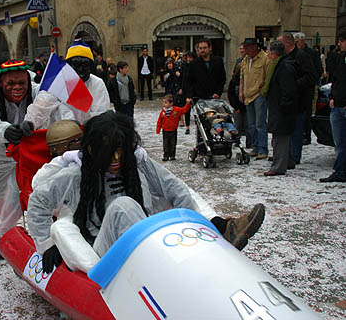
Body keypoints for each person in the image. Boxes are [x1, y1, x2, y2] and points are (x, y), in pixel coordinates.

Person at [27, 111, 266, 274]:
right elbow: (38, 201)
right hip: (104, 248)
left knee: (172, 193)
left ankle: (217, 231)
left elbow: (174, 187)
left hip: (146, 240)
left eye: (121, 151)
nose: (117, 160)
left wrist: (198, 228)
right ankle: (166, 269)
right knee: (124, 206)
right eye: (110, 152)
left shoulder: (137, 163)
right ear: (91, 149)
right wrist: (47, 245)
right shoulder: (72, 173)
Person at [0, 59, 40, 258]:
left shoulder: (37, 90)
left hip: (28, 151)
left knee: (19, 190)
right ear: (0, 83)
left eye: (21, 83)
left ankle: (3, 235)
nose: (17, 88)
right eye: (10, 84)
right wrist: (6, 130)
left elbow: (49, 105)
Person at [25, 39, 110, 129]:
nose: (80, 69)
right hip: (59, 137)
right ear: (68, 66)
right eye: (76, 65)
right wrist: (29, 123)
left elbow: (100, 114)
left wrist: (83, 126)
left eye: (85, 65)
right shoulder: (57, 82)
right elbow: (41, 107)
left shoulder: (97, 83)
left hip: (87, 136)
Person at [277, 32, 316, 165]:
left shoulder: (302, 56)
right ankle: (286, 154)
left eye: (280, 43)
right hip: (289, 99)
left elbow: (311, 77)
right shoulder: (285, 57)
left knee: (297, 128)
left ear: (287, 43)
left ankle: (294, 156)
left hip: (299, 99)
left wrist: (293, 84)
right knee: (288, 128)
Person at [262, 41, 298, 176]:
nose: (268, 54)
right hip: (279, 108)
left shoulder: (283, 67)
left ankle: (278, 166)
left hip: (282, 109)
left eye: (269, 52)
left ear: (274, 53)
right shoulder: (282, 65)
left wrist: (283, 106)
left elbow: (288, 90)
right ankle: (287, 160)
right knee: (281, 137)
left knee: (280, 137)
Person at [319, 31, 346, 182]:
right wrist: (332, 97)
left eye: (342, 41)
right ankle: (340, 171)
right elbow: (335, 80)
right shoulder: (340, 57)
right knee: (339, 143)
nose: (339, 44)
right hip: (337, 105)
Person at [239, 38, 271, 160]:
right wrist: (241, 91)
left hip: (259, 95)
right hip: (248, 94)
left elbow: (268, 77)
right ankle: (256, 146)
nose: (245, 50)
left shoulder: (264, 59)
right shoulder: (246, 60)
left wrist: (264, 91)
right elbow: (242, 77)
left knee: (260, 124)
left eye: (247, 47)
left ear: (255, 47)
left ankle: (263, 149)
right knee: (251, 124)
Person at [294, 33, 323, 145]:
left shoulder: (312, 54)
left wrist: (309, 82)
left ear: (303, 41)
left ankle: (307, 134)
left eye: (297, 42)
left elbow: (317, 70)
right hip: (297, 89)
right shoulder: (294, 54)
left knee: (306, 113)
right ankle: (299, 134)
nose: (296, 44)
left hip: (307, 88)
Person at [186, 38, 226, 103]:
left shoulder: (218, 61)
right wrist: (189, 96)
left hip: (214, 97)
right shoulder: (194, 64)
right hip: (198, 98)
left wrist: (218, 92)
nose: (202, 50)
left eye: (204, 48)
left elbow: (222, 79)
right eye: (200, 48)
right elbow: (189, 81)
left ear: (210, 48)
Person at [156, 94, 192, 161]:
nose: (164, 104)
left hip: (173, 130)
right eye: (163, 102)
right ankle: (166, 155)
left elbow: (184, 110)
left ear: (171, 103)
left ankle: (172, 155)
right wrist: (158, 129)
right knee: (166, 143)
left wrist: (188, 104)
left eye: (166, 102)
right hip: (165, 130)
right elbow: (159, 120)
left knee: (173, 143)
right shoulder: (163, 112)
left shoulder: (176, 110)